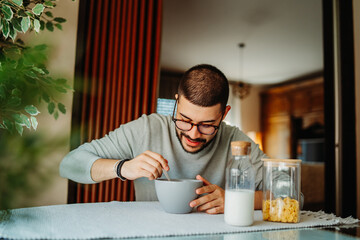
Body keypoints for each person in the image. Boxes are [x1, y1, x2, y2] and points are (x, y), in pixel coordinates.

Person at [60, 64, 267, 214]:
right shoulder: (145, 128)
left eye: (207, 124)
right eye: (185, 120)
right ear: (176, 103)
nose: (193, 134)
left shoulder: (237, 142)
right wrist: (123, 168)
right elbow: (69, 165)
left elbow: (292, 196)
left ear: (224, 113)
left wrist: (236, 201)